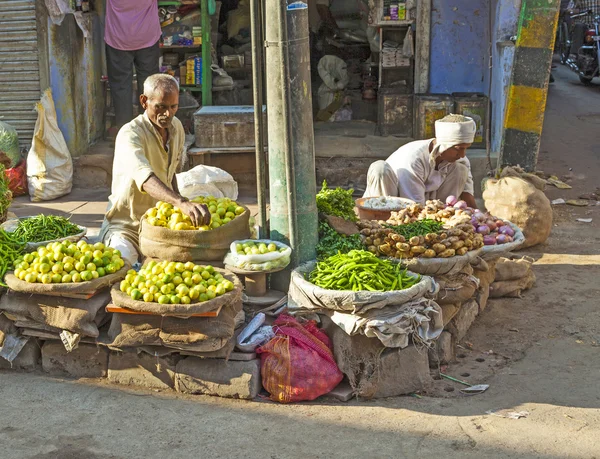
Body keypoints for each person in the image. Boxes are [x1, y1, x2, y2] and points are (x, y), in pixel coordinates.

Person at [99, 74, 211, 266]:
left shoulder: (176, 128)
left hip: (159, 224)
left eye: (173, 107)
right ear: (144, 101)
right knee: (120, 265)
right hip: (127, 227)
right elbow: (146, 178)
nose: (167, 114)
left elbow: (171, 172)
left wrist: (179, 205)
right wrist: (180, 202)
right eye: (160, 107)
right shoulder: (130, 134)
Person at [364, 114, 478, 209]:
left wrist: (479, 218)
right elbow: (414, 206)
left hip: (426, 203)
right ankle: (380, 222)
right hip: (395, 201)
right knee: (379, 168)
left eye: (466, 148)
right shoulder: (414, 158)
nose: (463, 155)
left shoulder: (460, 160)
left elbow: (467, 194)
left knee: (460, 168)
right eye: (459, 149)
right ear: (444, 145)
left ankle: (443, 214)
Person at [105, 0, 161, 133]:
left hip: (118, 37)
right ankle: (150, 131)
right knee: (150, 87)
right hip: (147, 36)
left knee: (121, 88)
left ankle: (126, 135)